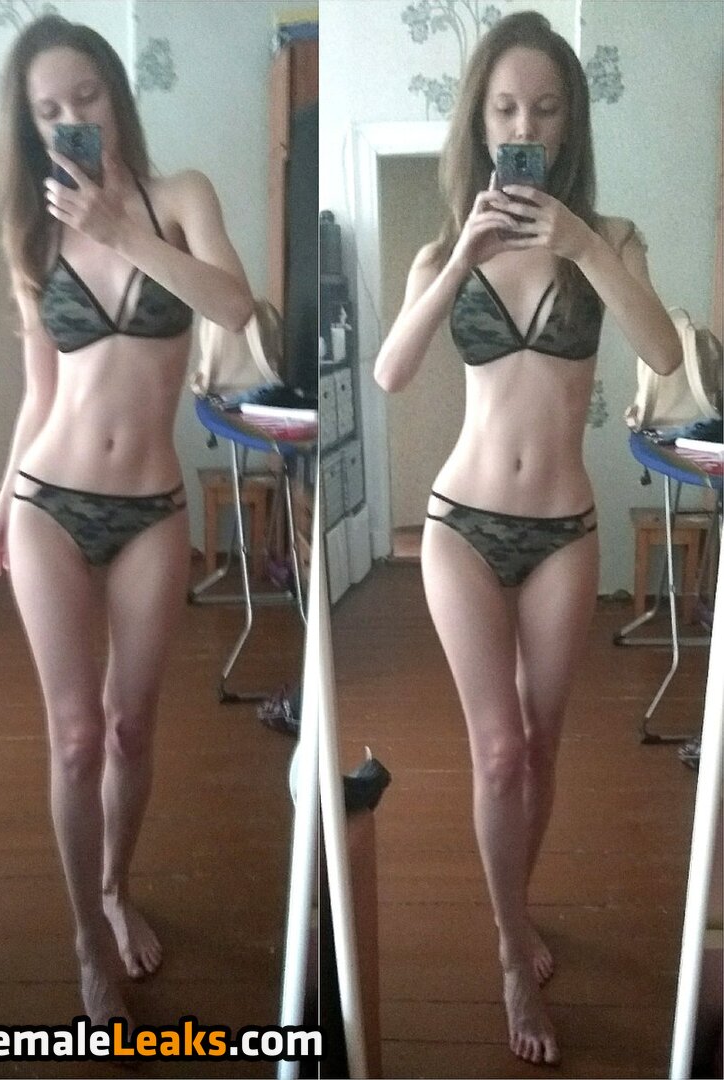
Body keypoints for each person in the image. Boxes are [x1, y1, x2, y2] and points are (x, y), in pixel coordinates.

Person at [374, 11, 680, 1067]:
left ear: (569, 123)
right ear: (479, 120)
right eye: (505, 108)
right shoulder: (441, 248)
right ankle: (511, 946)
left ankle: (520, 900)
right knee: (499, 750)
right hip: (462, 523)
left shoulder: (613, 239)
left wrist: (581, 243)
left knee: (541, 746)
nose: (524, 127)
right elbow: (391, 372)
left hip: (563, 532)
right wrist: (460, 254)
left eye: (545, 110)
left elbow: (663, 350)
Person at [0, 15, 253, 1024]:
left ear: (116, 97)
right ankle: (87, 939)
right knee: (75, 736)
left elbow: (236, 307)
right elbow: (39, 393)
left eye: (85, 97)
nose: (69, 120)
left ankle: (113, 885)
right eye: (48, 109)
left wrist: (123, 231)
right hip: (50, 500)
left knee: (132, 728)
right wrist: (4, 498)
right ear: (29, 124)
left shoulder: (180, 198)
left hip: (149, 509)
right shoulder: (31, 235)